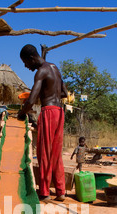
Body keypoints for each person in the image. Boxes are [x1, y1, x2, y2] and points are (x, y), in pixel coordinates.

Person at [17, 44, 68, 201]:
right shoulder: (54, 68)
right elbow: (64, 93)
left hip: (49, 112)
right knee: (56, 153)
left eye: (25, 62)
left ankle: (45, 192)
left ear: (32, 58)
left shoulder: (40, 72)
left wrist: (21, 113)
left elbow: (31, 100)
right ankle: (61, 191)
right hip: (60, 112)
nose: (26, 66)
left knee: (44, 152)